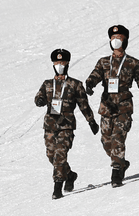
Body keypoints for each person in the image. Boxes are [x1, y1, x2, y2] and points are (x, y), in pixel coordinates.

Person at [85, 25, 139, 188]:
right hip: (106, 107)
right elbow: (94, 75)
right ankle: (122, 162)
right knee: (106, 141)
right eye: (113, 39)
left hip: (124, 107)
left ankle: (116, 173)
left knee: (118, 139)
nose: (115, 41)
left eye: (119, 39)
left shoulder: (133, 63)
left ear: (125, 41)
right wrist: (90, 84)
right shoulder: (103, 62)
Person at [35, 48, 99, 199]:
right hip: (50, 125)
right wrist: (40, 100)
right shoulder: (47, 84)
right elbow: (39, 97)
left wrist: (91, 121)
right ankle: (69, 175)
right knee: (51, 155)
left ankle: (58, 187)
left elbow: (84, 105)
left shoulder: (75, 85)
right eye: (56, 62)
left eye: (62, 61)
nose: (59, 64)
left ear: (68, 63)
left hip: (66, 126)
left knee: (60, 155)